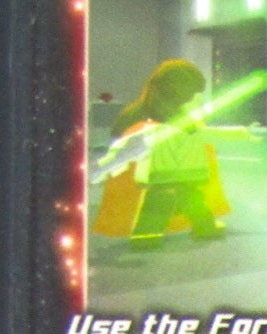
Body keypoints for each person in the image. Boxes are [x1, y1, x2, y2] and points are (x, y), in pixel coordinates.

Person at [93, 60, 230, 248]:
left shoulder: (167, 119)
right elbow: (126, 149)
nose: (198, 101)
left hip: (176, 173)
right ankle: (152, 236)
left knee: (183, 199)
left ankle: (195, 229)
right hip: (173, 172)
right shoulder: (161, 124)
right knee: (169, 200)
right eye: (194, 96)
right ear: (180, 95)